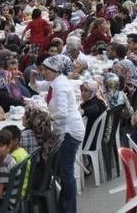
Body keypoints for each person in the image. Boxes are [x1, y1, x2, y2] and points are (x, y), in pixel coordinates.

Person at [40, 55, 84, 213]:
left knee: (66, 171)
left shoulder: (60, 86)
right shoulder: (56, 81)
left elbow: (62, 113)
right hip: (66, 129)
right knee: (65, 170)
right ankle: (65, 206)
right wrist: (32, 79)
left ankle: (68, 209)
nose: (43, 72)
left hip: (69, 131)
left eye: (45, 70)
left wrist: (46, 116)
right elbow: (39, 86)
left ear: (54, 70)